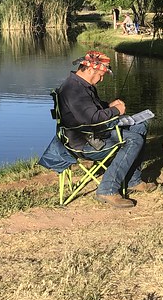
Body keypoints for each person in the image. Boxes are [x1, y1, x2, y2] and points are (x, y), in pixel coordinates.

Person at [55, 50, 156, 208]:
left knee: (140, 126)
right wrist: (115, 111)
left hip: (92, 134)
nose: (101, 79)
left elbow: (89, 109)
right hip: (84, 143)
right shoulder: (74, 90)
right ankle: (107, 189)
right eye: (101, 75)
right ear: (89, 70)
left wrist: (108, 106)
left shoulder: (83, 84)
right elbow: (92, 118)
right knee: (133, 139)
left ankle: (133, 180)